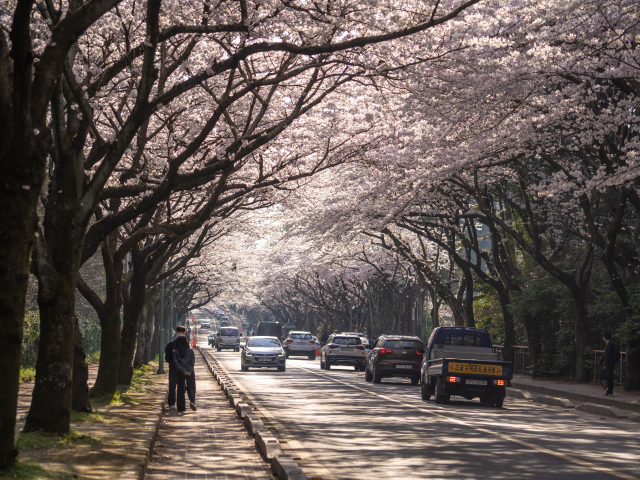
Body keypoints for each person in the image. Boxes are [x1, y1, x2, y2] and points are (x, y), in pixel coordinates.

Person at [172, 336, 197, 412]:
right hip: (190, 372)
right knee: (191, 386)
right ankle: (192, 401)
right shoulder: (190, 351)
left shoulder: (175, 352)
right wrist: (189, 371)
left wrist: (183, 371)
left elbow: (176, 363)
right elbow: (192, 362)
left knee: (180, 388)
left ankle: (181, 406)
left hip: (180, 372)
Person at [165, 325, 186, 410]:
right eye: (179, 332)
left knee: (182, 386)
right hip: (173, 368)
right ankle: (171, 403)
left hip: (182, 369)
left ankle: (181, 403)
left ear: (184, 333)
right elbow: (167, 357)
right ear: (176, 333)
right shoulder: (171, 344)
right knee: (173, 386)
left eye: (182, 333)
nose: (180, 334)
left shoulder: (186, 344)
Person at [599, 332, 616, 396]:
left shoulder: (608, 345)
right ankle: (610, 390)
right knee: (610, 377)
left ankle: (609, 391)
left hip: (609, 364)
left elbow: (607, 355)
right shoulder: (612, 344)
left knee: (609, 377)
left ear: (605, 337)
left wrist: (605, 364)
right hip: (611, 363)